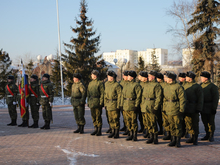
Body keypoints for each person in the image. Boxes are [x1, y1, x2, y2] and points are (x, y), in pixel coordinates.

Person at [163, 72, 186, 147]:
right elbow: (164, 98)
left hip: (176, 109)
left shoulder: (178, 87)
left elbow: (182, 99)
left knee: (177, 125)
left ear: (171, 79)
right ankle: (173, 140)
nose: (165, 79)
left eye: (167, 77)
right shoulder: (166, 86)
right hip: (169, 108)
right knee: (171, 125)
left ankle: (178, 141)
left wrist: (181, 109)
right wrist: (164, 107)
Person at [141, 71, 162, 144]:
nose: (148, 77)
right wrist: (142, 106)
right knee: (148, 122)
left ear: (153, 77)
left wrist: (156, 107)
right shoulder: (146, 85)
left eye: (149, 76)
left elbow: (159, 97)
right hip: (146, 105)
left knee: (153, 122)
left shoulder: (157, 85)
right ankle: (151, 136)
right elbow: (143, 96)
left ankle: (155, 138)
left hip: (152, 105)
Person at [182, 71, 203, 145]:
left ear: (190, 78)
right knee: (188, 123)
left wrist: (199, 108)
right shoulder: (185, 85)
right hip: (186, 107)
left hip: (194, 107)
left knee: (194, 123)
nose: (185, 78)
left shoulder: (197, 86)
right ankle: (191, 136)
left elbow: (200, 99)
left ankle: (195, 138)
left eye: (187, 77)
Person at [121, 70, 142, 141]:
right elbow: (122, 95)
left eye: (129, 76)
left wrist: (136, 105)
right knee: (128, 121)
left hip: (132, 104)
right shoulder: (126, 84)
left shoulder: (136, 85)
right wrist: (122, 104)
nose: (128, 77)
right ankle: (130, 134)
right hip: (126, 105)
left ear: (132, 77)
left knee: (133, 121)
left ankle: (134, 135)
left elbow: (138, 96)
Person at [200, 71, 219, 142]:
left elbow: (215, 98)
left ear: (206, 78)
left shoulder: (212, 87)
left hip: (210, 106)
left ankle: (211, 135)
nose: (201, 78)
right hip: (203, 106)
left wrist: (214, 108)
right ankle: (207, 134)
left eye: (202, 77)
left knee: (210, 122)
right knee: (204, 121)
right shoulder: (200, 85)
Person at [104, 70, 122, 139]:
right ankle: (112, 131)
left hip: (114, 104)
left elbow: (119, 96)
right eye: (109, 76)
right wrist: (105, 103)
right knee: (110, 119)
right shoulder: (106, 84)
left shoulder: (117, 85)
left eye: (111, 77)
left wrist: (118, 105)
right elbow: (105, 94)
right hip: (108, 104)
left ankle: (116, 133)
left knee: (115, 119)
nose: (110, 78)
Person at [87, 70, 104, 136]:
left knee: (98, 116)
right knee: (93, 116)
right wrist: (88, 101)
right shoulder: (90, 83)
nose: (91, 76)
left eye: (92, 74)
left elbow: (102, 93)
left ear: (95, 75)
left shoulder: (99, 83)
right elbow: (88, 93)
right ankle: (95, 129)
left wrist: (101, 102)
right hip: (92, 102)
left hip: (97, 101)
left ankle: (99, 130)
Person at [157, 72, 171, 140]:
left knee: (169, 120)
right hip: (162, 104)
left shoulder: (165, 85)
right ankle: (165, 131)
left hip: (168, 105)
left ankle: (169, 133)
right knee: (162, 119)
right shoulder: (159, 85)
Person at [138, 71, 149, 138]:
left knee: (147, 119)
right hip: (141, 103)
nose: (139, 77)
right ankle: (143, 128)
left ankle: (147, 130)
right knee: (141, 117)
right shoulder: (139, 83)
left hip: (146, 103)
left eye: (140, 76)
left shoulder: (147, 84)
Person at [178, 72, 188, 138]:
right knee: (181, 120)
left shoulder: (187, 85)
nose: (180, 79)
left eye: (182, 78)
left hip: (187, 105)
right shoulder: (178, 85)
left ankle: (187, 132)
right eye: (179, 78)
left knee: (186, 120)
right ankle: (182, 132)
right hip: (179, 105)